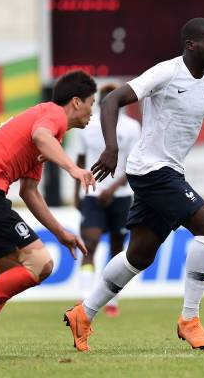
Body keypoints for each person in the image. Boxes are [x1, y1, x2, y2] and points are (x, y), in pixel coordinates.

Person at [63, 17, 204, 352]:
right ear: (190, 45)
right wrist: (112, 149)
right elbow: (112, 101)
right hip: (150, 170)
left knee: (139, 256)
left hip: (169, 171)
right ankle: (190, 320)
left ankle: (83, 313)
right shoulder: (166, 73)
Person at [0, 70, 97, 361]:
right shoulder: (51, 115)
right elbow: (41, 136)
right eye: (92, 102)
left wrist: (60, 233)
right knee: (41, 264)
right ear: (76, 102)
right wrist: (74, 169)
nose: (93, 110)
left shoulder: (50, 133)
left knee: (10, 274)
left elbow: (29, 191)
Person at [73, 83, 141, 317]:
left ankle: (112, 301)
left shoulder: (132, 127)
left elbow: (133, 165)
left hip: (121, 197)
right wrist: (77, 191)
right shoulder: (87, 124)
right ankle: (83, 296)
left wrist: (111, 189)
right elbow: (80, 158)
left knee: (116, 250)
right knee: (89, 244)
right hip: (92, 194)